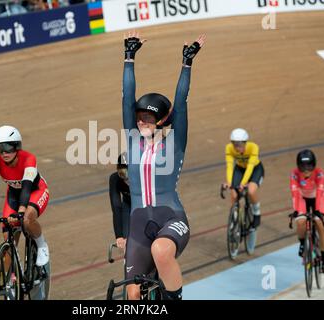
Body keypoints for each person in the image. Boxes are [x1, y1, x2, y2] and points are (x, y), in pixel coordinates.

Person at [122, 30, 206, 300]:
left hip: (170, 219)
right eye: (138, 117)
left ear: (160, 121)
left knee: (160, 251)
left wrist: (186, 63)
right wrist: (129, 57)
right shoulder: (133, 140)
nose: (140, 121)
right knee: (132, 294)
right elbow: (127, 96)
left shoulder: (175, 144)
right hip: (138, 225)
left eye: (147, 117)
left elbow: (180, 103)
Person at [0, 125, 50, 267]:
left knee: (26, 219)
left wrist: (20, 212)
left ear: (17, 146)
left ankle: (42, 245)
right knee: (8, 237)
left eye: (8, 147)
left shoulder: (28, 159)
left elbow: (26, 187)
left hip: (35, 191)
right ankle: (12, 277)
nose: (4, 153)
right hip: (13, 195)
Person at [290, 149, 324, 274]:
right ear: (298, 166)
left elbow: (319, 192)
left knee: (319, 224)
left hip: (319, 198)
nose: (306, 169)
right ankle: (303, 244)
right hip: (302, 199)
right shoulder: (294, 174)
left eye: (309, 165)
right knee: (301, 221)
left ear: (314, 164)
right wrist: (297, 211)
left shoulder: (319, 173)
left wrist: (318, 211)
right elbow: (295, 193)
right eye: (303, 166)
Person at [223, 128, 264, 229]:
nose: (237, 147)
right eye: (235, 144)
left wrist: (243, 183)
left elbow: (250, 167)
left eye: (240, 144)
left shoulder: (253, 147)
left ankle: (257, 213)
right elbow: (229, 166)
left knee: (251, 191)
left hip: (255, 170)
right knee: (233, 193)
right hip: (240, 169)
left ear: (245, 142)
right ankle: (234, 218)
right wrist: (229, 182)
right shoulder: (229, 148)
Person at [109, 152, 131, 250]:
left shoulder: (145, 176)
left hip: (145, 205)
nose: (127, 178)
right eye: (123, 174)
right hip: (128, 204)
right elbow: (116, 207)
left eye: (130, 173)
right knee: (127, 242)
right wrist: (119, 236)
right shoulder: (115, 179)